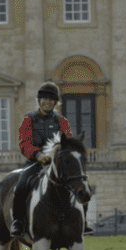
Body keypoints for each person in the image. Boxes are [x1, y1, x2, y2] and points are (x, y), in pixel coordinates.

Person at [9, 82, 77, 237]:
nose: (48, 102)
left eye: (52, 100)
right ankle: (18, 221)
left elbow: (68, 142)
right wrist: (37, 154)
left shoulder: (62, 121)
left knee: (78, 184)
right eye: (45, 99)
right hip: (34, 162)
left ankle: (82, 221)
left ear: (55, 102)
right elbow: (24, 142)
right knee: (20, 186)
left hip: (57, 163)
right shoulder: (29, 119)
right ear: (39, 100)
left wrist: (57, 155)